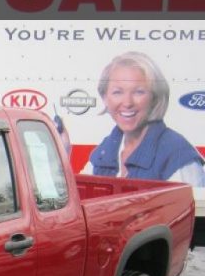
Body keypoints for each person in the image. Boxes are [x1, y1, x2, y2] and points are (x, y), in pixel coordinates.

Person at [88, 51, 205, 186]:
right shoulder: (107, 148)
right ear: (105, 98)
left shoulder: (177, 154)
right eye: (117, 92)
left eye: (139, 92)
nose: (127, 103)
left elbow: (192, 206)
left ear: (155, 97)